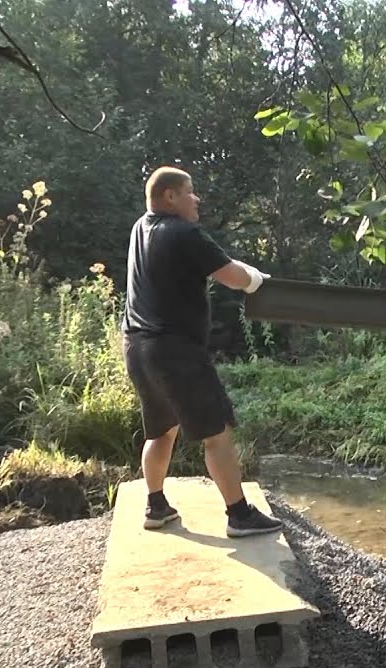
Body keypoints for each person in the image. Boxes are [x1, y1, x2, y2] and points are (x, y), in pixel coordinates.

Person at [123, 166, 284, 537]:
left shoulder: (139, 229)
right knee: (218, 431)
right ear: (170, 197)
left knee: (161, 430)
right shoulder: (183, 232)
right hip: (174, 349)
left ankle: (156, 505)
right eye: (190, 191)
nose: (197, 199)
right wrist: (255, 278)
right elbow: (233, 277)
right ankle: (239, 515)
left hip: (136, 346)